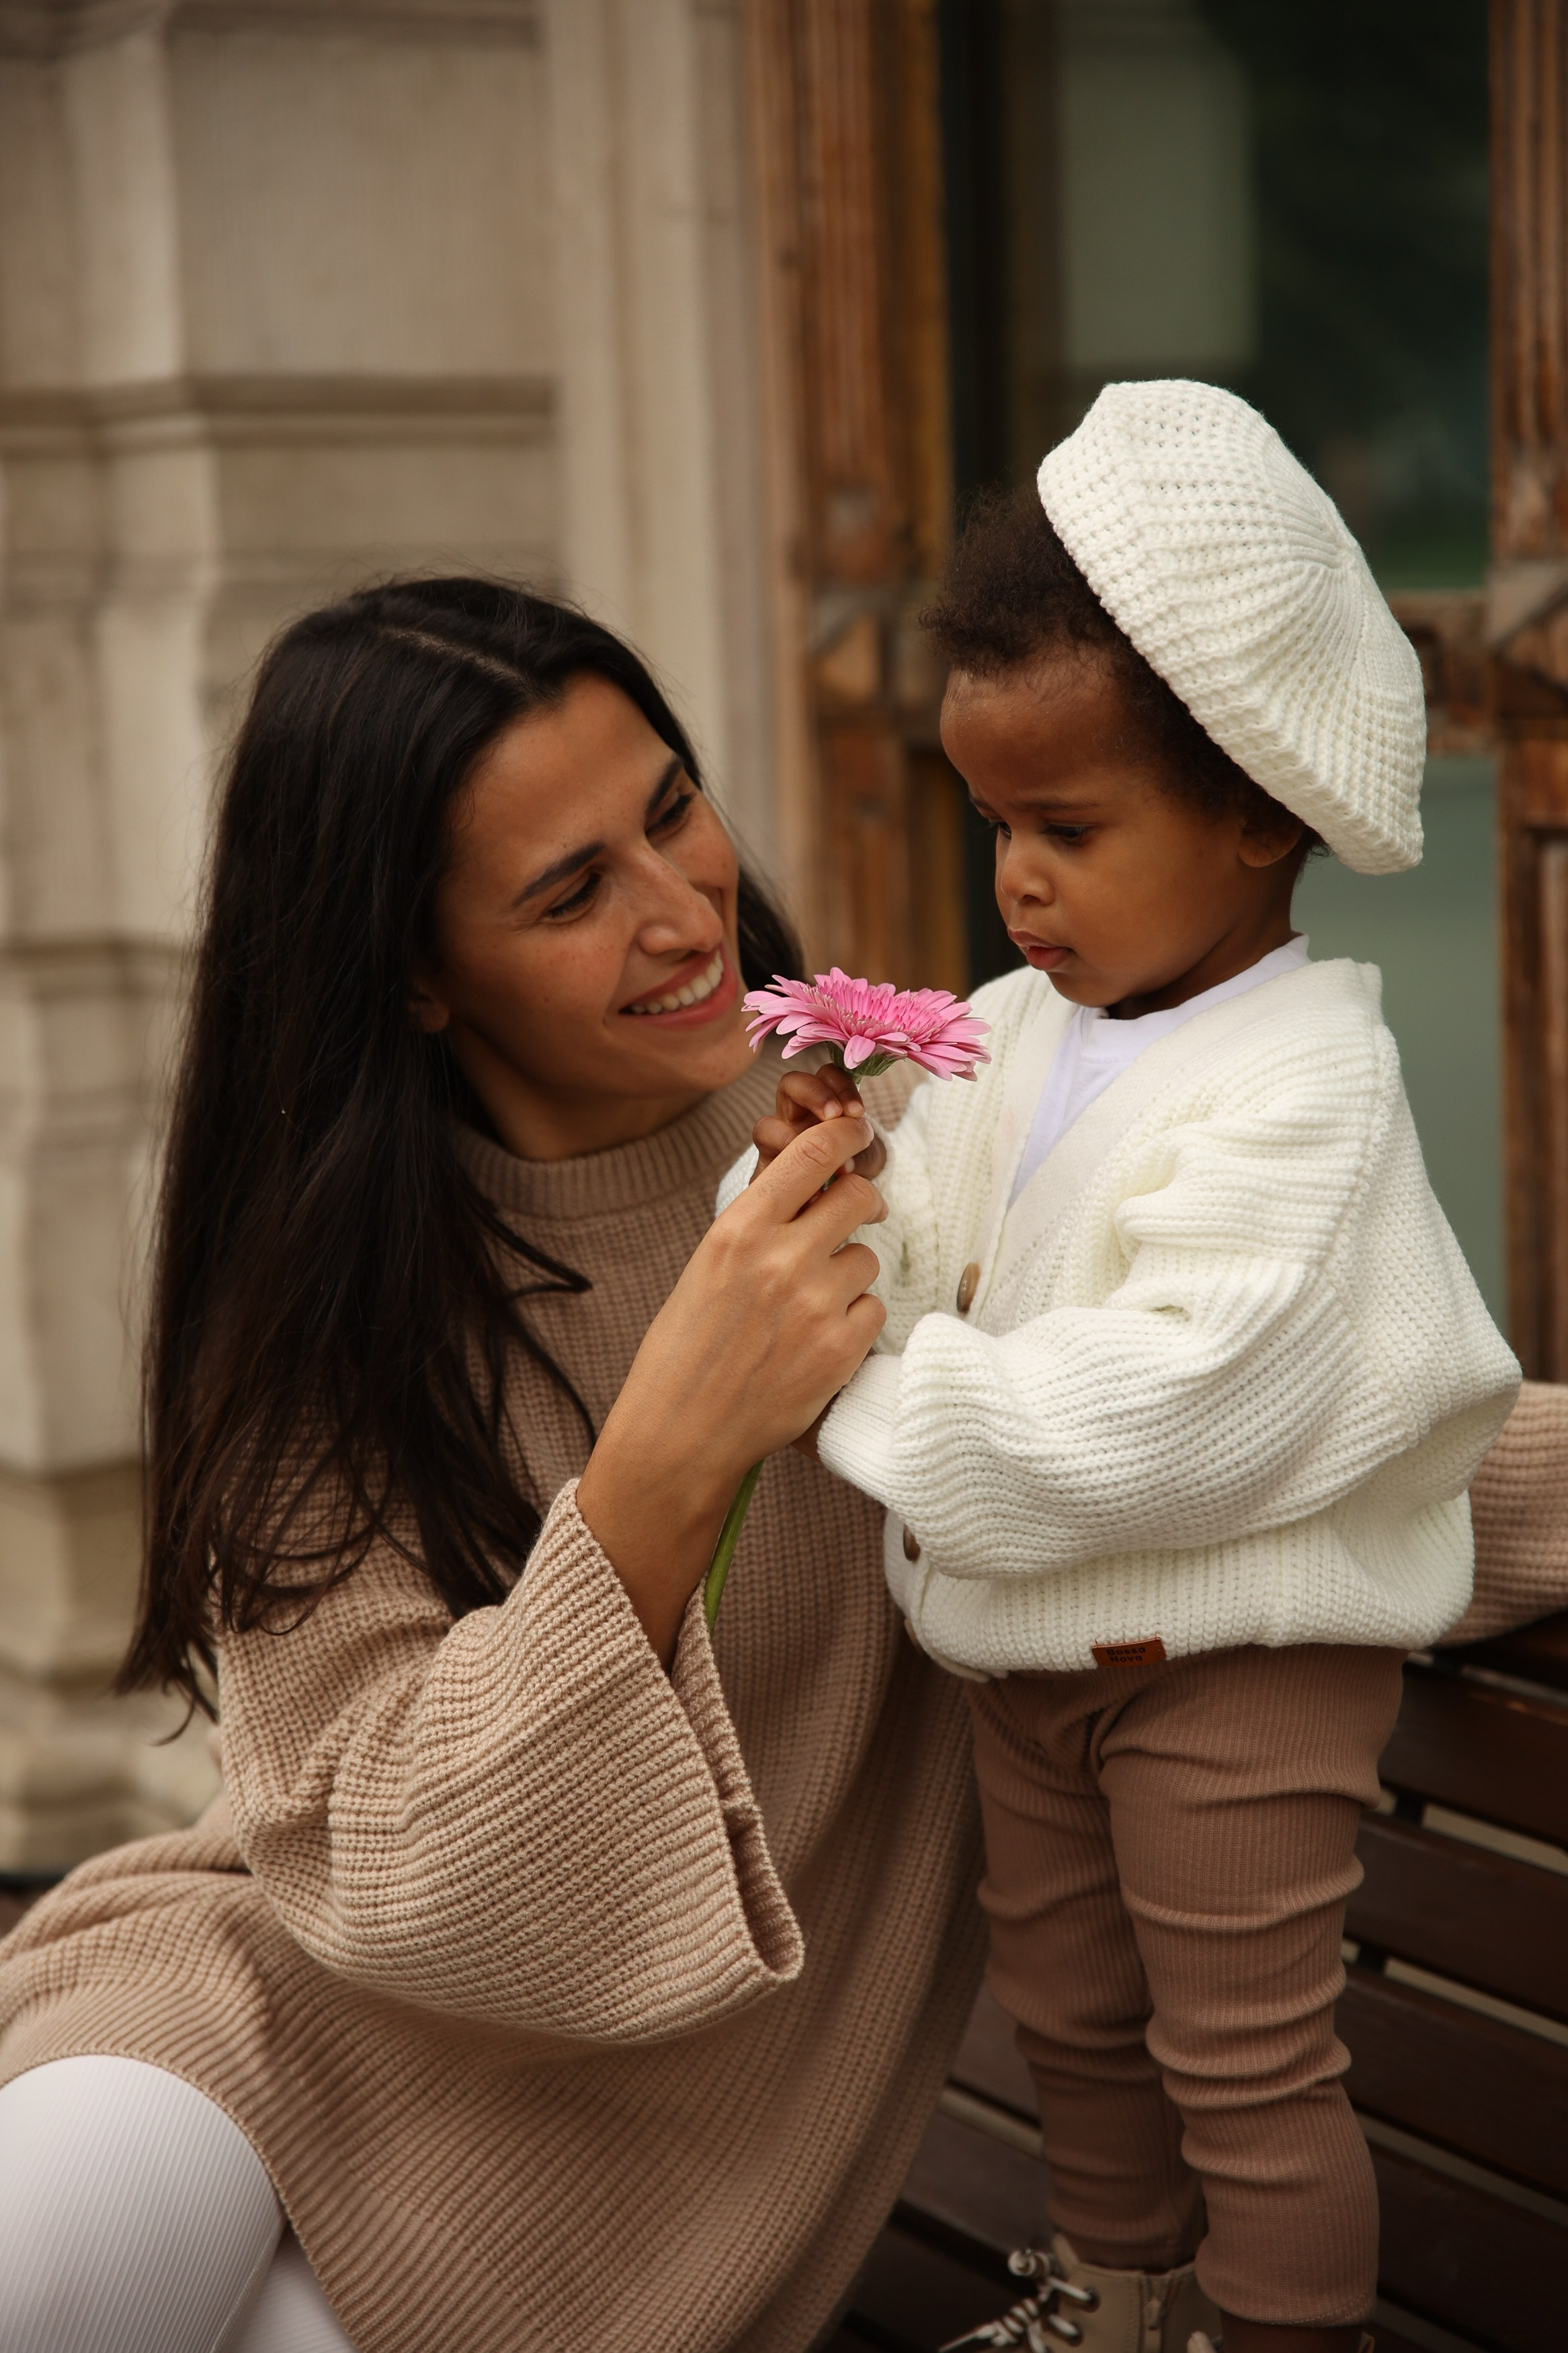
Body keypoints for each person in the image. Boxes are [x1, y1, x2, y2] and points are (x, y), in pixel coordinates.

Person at [0, 580, 985, 2353]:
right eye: (570, 889)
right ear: (415, 974)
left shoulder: (915, 1157)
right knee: (59, 2261)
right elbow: (386, 1871)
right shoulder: (334, 1289)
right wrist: (668, 1455)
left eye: (672, 808)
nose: (683, 909)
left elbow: (1308, 1405)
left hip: (654, 2136)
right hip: (276, 1997)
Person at [741, 383, 1522, 2353]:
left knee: (1246, 2069)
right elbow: (910, 1243)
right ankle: (1113, 2299)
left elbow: (1163, 1412)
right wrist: (831, 1187)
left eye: (1070, 830)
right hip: (1036, 1652)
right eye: (997, 824)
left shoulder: (1307, 1090)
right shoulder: (1020, 1024)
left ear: (1257, 805)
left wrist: (844, 1380)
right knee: (1077, 2023)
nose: (1018, 879)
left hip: (1235, 1659)